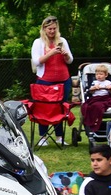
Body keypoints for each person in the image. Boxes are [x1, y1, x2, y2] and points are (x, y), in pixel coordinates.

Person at [31, 16, 73, 146]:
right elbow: (36, 61)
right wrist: (51, 53)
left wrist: (65, 55)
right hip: (45, 80)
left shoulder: (62, 41)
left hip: (63, 79)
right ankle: (43, 137)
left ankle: (59, 136)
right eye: (49, 29)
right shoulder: (38, 42)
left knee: (60, 108)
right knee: (44, 108)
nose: (52, 31)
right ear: (44, 28)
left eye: (54, 28)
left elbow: (70, 60)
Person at [80, 64, 111, 135]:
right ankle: (94, 124)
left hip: (106, 98)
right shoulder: (94, 82)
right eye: (97, 74)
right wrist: (93, 89)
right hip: (96, 98)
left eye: (101, 74)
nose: (98, 76)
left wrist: (110, 89)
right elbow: (90, 92)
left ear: (106, 75)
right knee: (96, 106)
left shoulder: (108, 82)